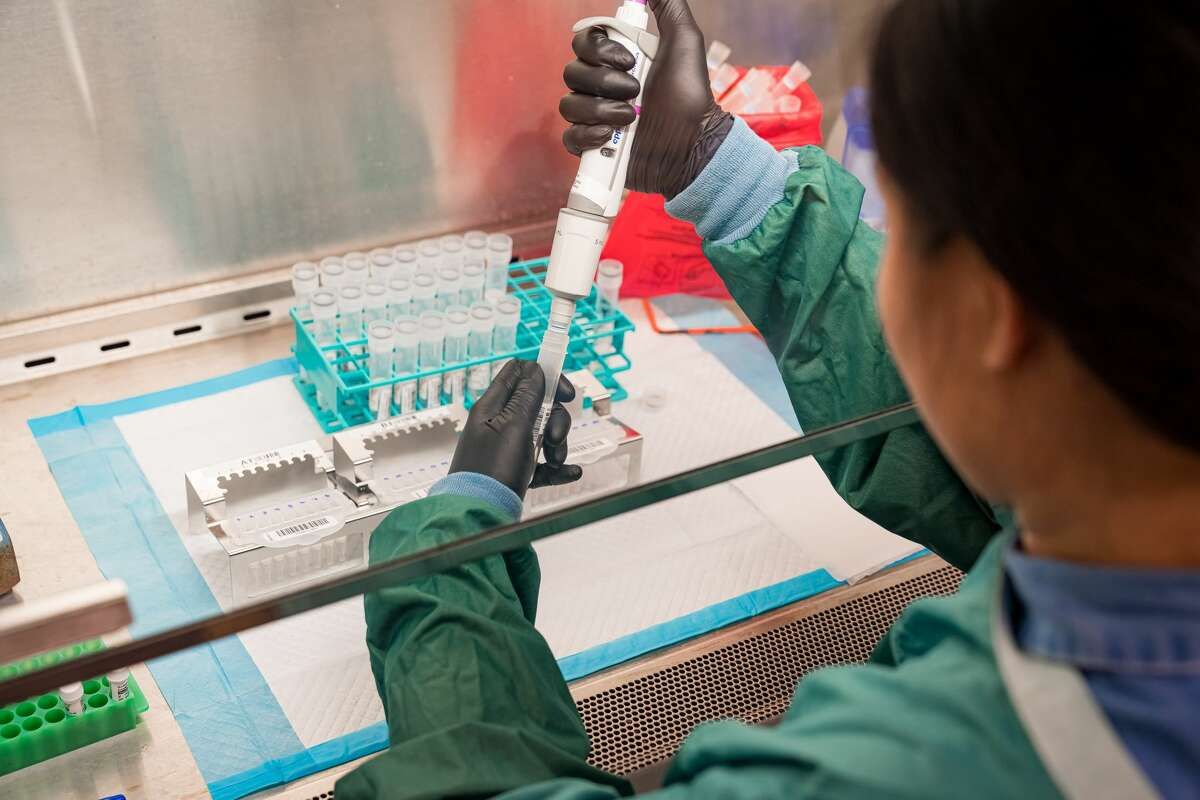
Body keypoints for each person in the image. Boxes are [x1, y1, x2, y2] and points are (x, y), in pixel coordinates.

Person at [337, 0, 1200, 796]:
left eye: (894, 229)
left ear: (993, 310)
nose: (880, 255)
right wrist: (713, 161)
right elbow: (1009, 429)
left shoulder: (912, 770)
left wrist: (444, 554)